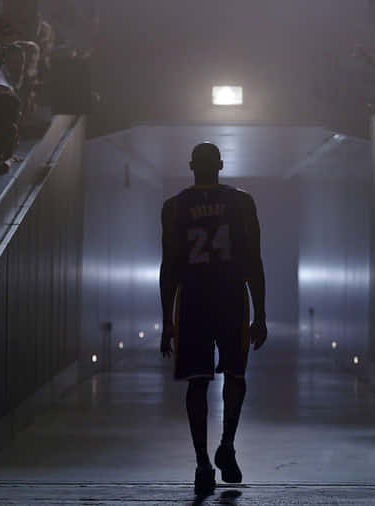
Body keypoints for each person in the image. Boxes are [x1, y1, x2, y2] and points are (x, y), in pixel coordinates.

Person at [159, 142, 268, 496]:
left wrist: (167, 320)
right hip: (231, 299)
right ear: (221, 165)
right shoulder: (241, 202)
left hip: (193, 301)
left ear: (191, 166)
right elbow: (254, 260)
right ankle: (227, 444)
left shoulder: (174, 207)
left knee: (198, 382)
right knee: (235, 375)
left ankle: (202, 462)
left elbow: (170, 267)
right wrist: (261, 312)